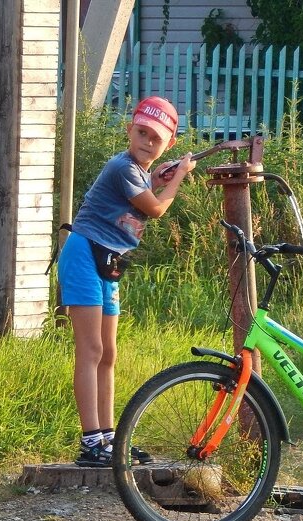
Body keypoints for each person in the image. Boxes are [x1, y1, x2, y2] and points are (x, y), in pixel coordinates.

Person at [58, 97, 196, 467]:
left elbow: (143, 191)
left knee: (108, 353)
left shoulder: (137, 172)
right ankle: (91, 443)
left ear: (168, 143)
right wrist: (179, 176)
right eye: (142, 132)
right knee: (90, 351)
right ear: (129, 130)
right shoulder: (122, 166)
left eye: (156, 138)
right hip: (85, 253)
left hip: (109, 261)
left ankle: (108, 438)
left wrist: (158, 177)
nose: (147, 142)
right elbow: (156, 208)